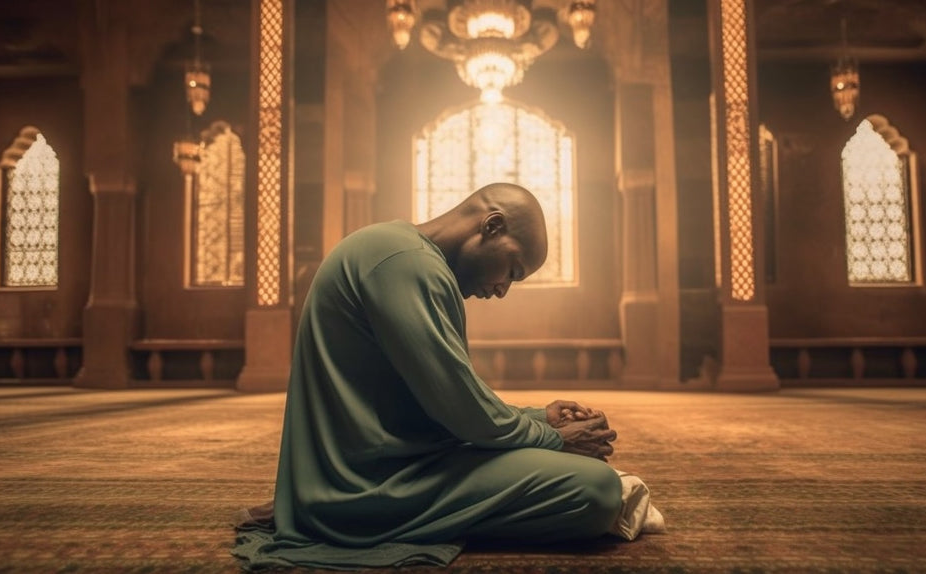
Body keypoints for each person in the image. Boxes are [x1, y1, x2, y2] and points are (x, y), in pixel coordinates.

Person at [232, 183, 663, 571]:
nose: (501, 290)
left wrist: (540, 418)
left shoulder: (400, 251)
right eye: (512, 270)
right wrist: (552, 438)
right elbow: (458, 410)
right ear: (492, 226)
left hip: (390, 463)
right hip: (369, 486)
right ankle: (352, 519)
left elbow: (444, 401)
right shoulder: (408, 263)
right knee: (598, 491)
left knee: (569, 472)